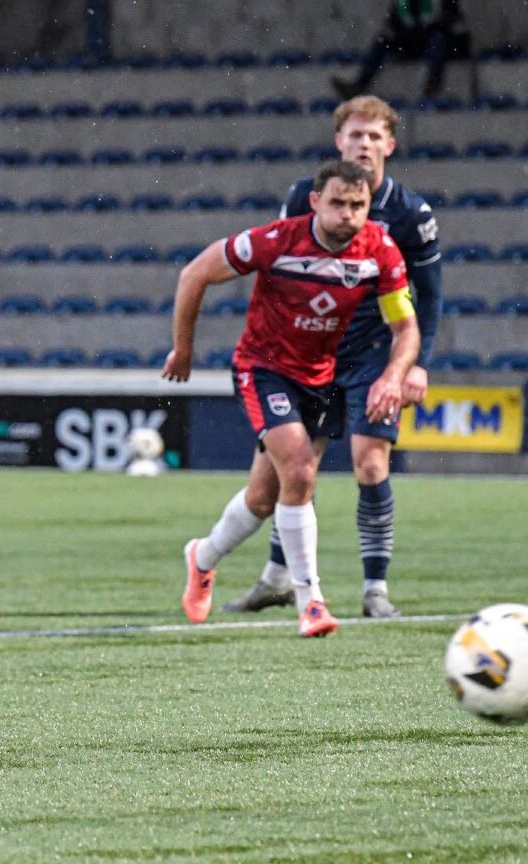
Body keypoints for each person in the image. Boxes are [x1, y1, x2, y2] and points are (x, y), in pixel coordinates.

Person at [162, 160, 419, 638]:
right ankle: (312, 603)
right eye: (338, 203)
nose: (348, 214)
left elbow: (405, 326)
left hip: (321, 379)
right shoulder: (274, 241)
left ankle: (202, 556)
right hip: (264, 368)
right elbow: (193, 274)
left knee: (264, 498)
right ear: (315, 202)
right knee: (300, 471)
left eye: (358, 205)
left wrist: (393, 375)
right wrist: (183, 347)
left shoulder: (380, 252)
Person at [223, 95, 442, 619]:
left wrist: (413, 364)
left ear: (390, 145)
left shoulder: (411, 214)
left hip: (372, 353)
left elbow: (428, 296)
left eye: (373, 136)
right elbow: (278, 267)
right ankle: (277, 578)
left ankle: (375, 591)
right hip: (305, 351)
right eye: (354, 135)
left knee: (371, 463)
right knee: (293, 469)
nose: (363, 144)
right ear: (338, 142)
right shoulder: (305, 195)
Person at [332, 0, 469, 100]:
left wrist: (424, 31)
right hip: (412, 41)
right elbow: (393, 21)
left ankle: (433, 85)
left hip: (435, 41)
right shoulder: (402, 2)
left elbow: (450, 24)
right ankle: (359, 84)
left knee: (438, 40)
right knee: (382, 40)